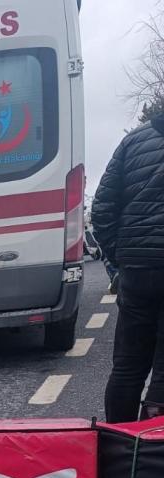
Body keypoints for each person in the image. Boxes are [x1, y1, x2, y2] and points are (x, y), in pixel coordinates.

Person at [91, 110, 164, 423]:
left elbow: (102, 210)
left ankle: (118, 449)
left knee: (127, 366)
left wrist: (121, 258)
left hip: (137, 269)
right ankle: (152, 456)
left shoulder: (132, 141)